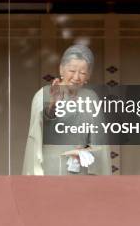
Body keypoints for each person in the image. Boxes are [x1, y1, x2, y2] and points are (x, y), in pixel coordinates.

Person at [22, 44, 111, 175]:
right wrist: (53, 105)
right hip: (50, 167)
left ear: (88, 76)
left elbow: (98, 140)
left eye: (82, 73)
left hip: (82, 166)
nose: (76, 77)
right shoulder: (44, 94)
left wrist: (85, 150)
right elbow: (38, 128)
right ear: (61, 70)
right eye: (72, 71)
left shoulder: (91, 97)